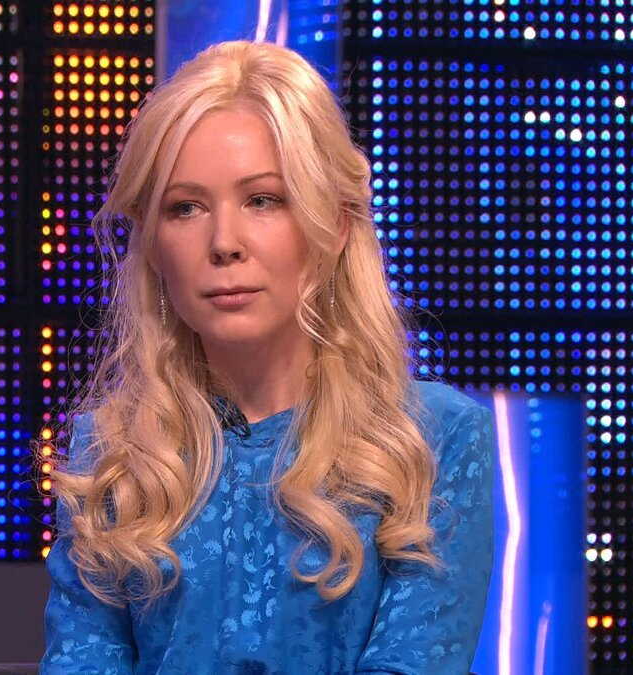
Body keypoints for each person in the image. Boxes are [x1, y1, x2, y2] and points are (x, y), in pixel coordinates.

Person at [40, 40, 494, 674]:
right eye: (185, 208)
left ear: (335, 224)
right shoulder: (112, 453)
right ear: (151, 243)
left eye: (263, 200)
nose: (224, 242)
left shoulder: (434, 439)